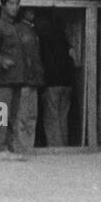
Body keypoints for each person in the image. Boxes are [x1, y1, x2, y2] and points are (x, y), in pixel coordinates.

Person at [0, 0, 43, 161]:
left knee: (12, 116)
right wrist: (1, 61)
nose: (15, 7)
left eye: (17, 4)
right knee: (0, 115)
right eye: (11, 3)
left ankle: (8, 147)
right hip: (3, 81)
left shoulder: (17, 28)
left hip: (16, 80)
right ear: (2, 5)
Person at [36, 13, 77, 147]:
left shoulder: (43, 40)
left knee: (51, 118)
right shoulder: (64, 40)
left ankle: (55, 147)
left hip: (52, 83)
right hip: (67, 82)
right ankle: (63, 145)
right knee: (62, 117)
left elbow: (43, 63)